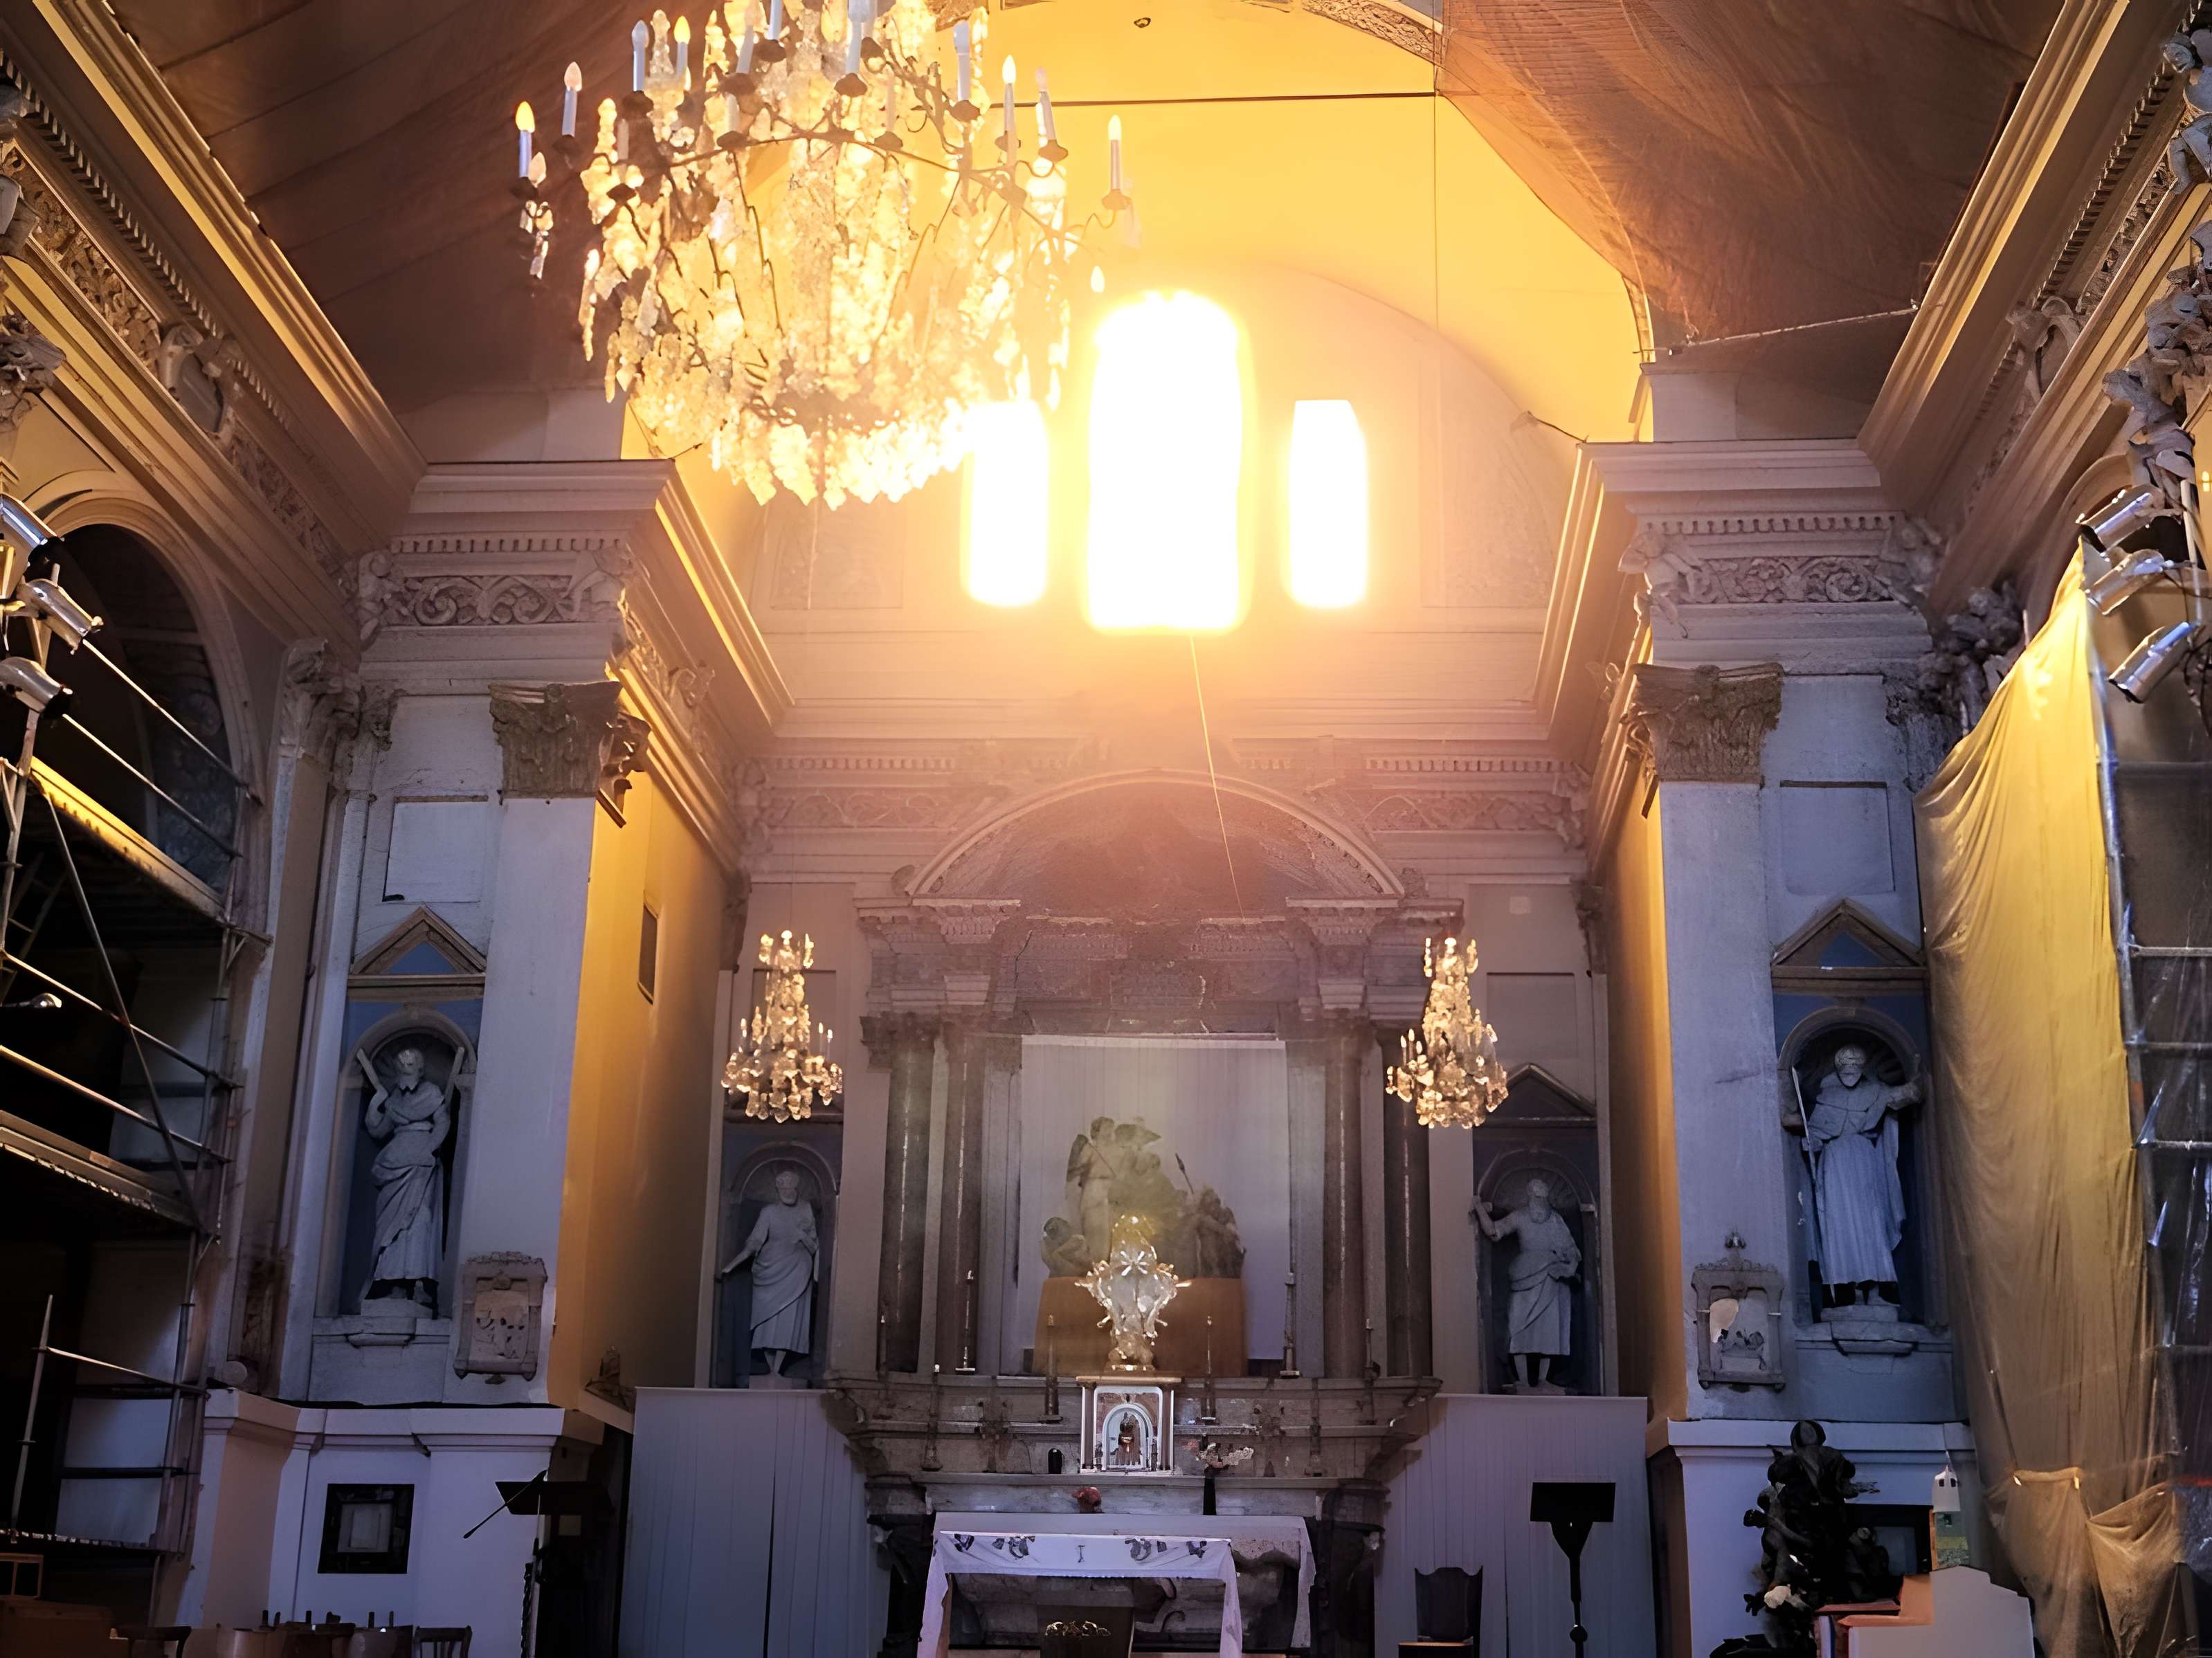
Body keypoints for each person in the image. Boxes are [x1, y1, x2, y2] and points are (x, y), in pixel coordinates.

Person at [1802, 1045, 1921, 1304]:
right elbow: (1816, 1133)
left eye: (1856, 1067)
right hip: (1834, 1164)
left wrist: (1917, 1080)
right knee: (1838, 1223)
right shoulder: (1827, 1097)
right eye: (1847, 1068)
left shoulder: (1874, 1091)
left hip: (1864, 1161)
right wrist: (1811, 1142)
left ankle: (1877, 1285)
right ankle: (1844, 1289)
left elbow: (1903, 1096)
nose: (1851, 1073)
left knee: (1871, 1222)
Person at [359, 1047, 450, 1309]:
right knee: (390, 1229)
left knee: (419, 1221)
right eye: (401, 1066)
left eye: (410, 1066)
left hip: (420, 1165)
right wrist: (377, 1101)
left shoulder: (432, 1093)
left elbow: (442, 1121)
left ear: (420, 1070)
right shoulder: (395, 1100)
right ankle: (391, 1283)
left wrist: (430, 1147)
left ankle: (417, 1282)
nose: (405, 1071)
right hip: (394, 1162)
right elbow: (379, 1130)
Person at [1475, 1178, 1580, 1390]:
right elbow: (1494, 1232)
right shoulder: (1520, 1216)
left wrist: (1570, 1264)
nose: (1540, 1201)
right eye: (1536, 1196)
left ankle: (1543, 1380)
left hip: (1550, 1278)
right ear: (1530, 1197)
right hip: (1523, 1276)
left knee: (1548, 1331)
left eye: (1543, 1196)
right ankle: (1522, 1380)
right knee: (1519, 1329)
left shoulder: (1555, 1221)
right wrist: (1479, 1207)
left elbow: (1570, 1248)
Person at [718, 1169, 820, 1375]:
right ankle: (771, 1369)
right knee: (767, 1322)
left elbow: (814, 1244)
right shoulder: (769, 1212)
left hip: (798, 1271)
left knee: (789, 1323)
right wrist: (733, 1264)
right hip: (770, 1269)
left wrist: (802, 1236)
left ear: (796, 1187)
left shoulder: (806, 1209)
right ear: (777, 1189)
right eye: (782, 1185)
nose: (787, 1189)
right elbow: (755, 1241)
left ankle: (777, 1370)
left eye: (790, 1184)